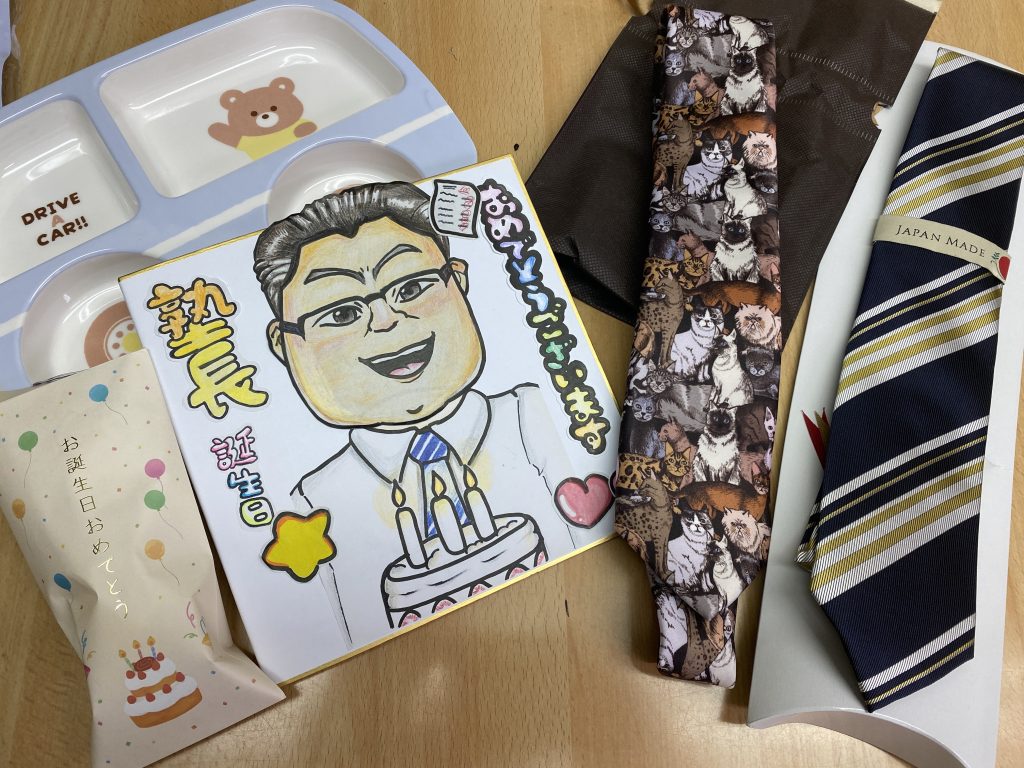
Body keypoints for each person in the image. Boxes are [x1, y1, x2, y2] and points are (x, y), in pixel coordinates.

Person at [253, 182, 597, 649]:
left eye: (412, 287)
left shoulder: (530, 414)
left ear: (458, 280)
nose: (385, 320)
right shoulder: (313, 501)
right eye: (340, 314)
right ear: (285, 344)